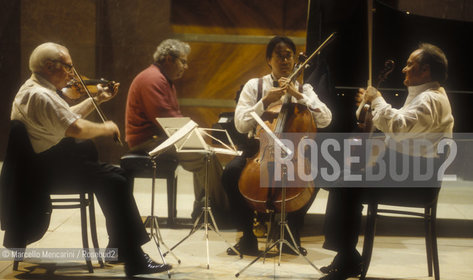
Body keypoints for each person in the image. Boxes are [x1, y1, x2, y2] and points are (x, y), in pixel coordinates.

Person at [9, 42, 171, 277]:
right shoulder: (41, 95)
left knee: (119, 175)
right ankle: (134, 260)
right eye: (68, 67)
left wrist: (98, 99)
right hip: (48, 172)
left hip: (48, 166)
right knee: (117, 182)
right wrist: (106, 128)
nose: (72, 74)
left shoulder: (33, 88)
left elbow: (65, 116)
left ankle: (120, 248)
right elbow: (75, 128)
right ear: (49, 66)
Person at [320, 43, 454, 280]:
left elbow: (400, 127)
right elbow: (401, 130)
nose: (404, 69)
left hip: (415, 182)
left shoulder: (430, 99)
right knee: (344, 180)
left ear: (425, 70)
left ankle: (348, 257)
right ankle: (346, 255)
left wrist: (379, 100)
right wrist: (372, 109)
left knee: (344, 183)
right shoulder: (426, 97)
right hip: (412, 174)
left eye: (410, 64)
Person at [222, 36, 332, 256]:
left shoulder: (305, 88)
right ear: (268, 60)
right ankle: (247, 237)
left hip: (293, 151)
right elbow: (241, 124)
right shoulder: (255, 86)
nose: (285, 61)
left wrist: (298, 96)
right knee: (230, 174)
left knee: (316, 174)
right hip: (258, 149)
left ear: (294, 60)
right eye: (279, 56)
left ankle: (291, 233)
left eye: (288, 56)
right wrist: (264, 101)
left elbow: (326, 118)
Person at [125, 39, 229, 220]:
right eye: (183, 61)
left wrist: (192, 132)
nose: (186, 66)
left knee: (203, 152)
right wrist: (193, 131)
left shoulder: (161, 78)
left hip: (157, 138)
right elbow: (165, 119)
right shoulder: (153, 79)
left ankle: (204, 208)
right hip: (147, 142)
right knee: (206, 156)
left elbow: (170, 118)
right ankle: (223, 211)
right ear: (168, 59)